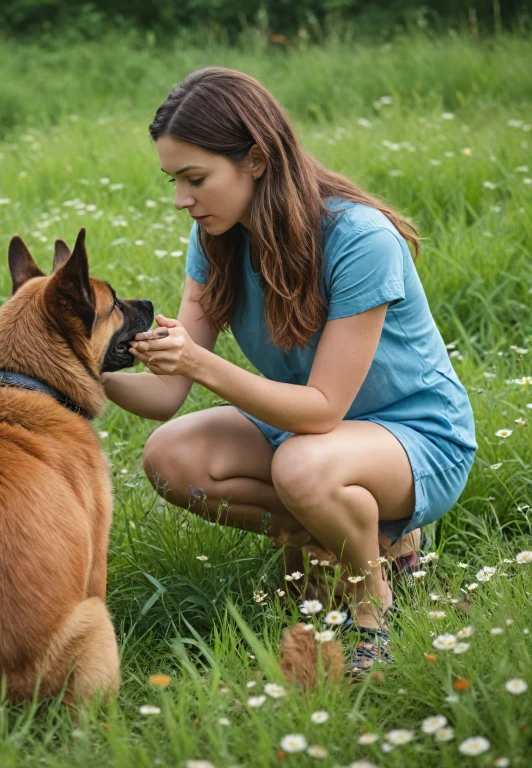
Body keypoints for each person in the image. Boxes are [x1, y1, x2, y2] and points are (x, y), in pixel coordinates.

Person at [101, 67, 477, 676]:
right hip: (302, 432)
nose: (181, 200)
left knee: (302, 464)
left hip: (411, 435)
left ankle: (370, 610)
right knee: (171, 457)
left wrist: (202, 362)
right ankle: (353, 538)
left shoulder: (358, 239)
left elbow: (324, 409)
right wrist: (75, 369)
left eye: (196, 179)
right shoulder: (216, 240)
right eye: (173, 181)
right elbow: (167, 394)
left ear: (255, 158)